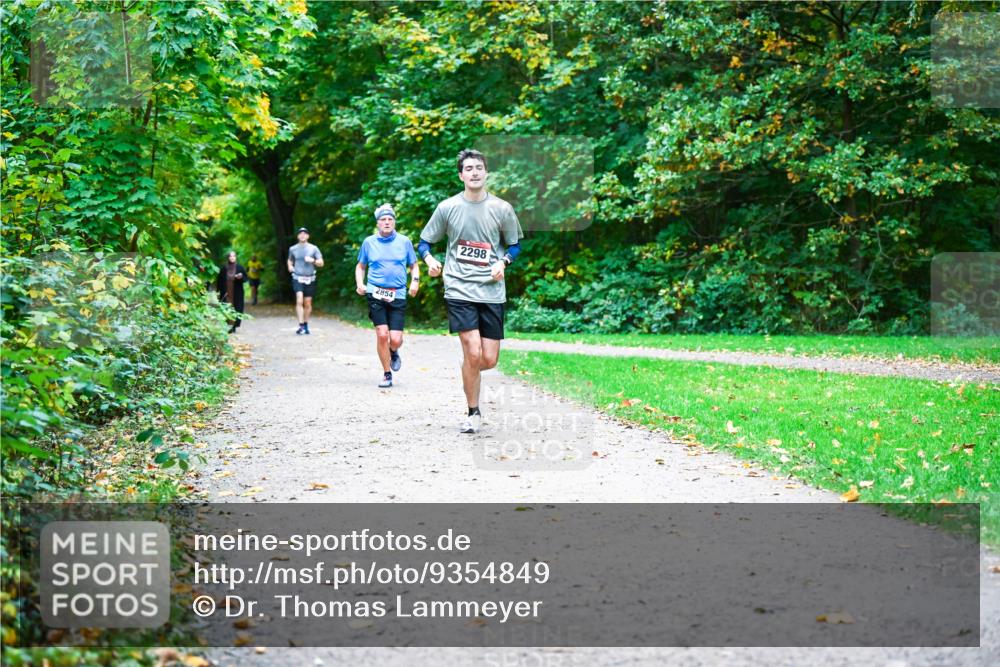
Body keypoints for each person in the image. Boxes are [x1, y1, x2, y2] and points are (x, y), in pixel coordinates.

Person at [417, 149, 523, 433]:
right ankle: (473, 412)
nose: (474, 172)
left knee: (488, 359)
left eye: (479, 167)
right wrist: (430, 260)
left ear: (485, 173)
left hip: (491, 290)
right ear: (461, 175)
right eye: (468, 168)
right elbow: (424, 243)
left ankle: (469, 369)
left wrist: (504, 261)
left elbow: (515, 245)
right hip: (459, 287)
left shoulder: (502, 208)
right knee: (473, 352)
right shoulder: (447, 208)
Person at [355, 203, 420, 388]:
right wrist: (360, 283)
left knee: (396, 339)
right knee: (382, 334)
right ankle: (386, 373)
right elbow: (360, 266)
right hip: (375, 293)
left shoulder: (404, 241)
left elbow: (414, 265)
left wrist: (415, 281)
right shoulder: (369, 242)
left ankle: (393, 351)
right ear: (377, 223)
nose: (386, 222)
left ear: (394, 222)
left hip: (398, 294)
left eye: (390, 219)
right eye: (383, 219)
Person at [287, 227, 324, 335]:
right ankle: (301, 324)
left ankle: (306, 324)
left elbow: (321, 263)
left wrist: (313, 260)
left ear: (308, 236)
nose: (302, 235)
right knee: (299, 300)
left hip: (310, 278)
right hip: (297, 277)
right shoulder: (293, 249)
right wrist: (290, 266)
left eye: (305, 234)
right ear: (298, 236)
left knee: (307, 303)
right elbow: (290, 260)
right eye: (300, 234)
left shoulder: (313, 248)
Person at [216, 251, 246, 334]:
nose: (232, 258)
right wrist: (218, 292)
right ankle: (227, 325)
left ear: (236, 257)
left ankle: (234, 326)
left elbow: (245, 278)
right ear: (228, 258)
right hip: (226, 292)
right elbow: (219, 281)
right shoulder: (224, 268)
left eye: (234, 256)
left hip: (237, 293)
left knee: (236, 308)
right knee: (227, 307)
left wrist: (240, 277)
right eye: (230, 256)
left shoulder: (240, 267)